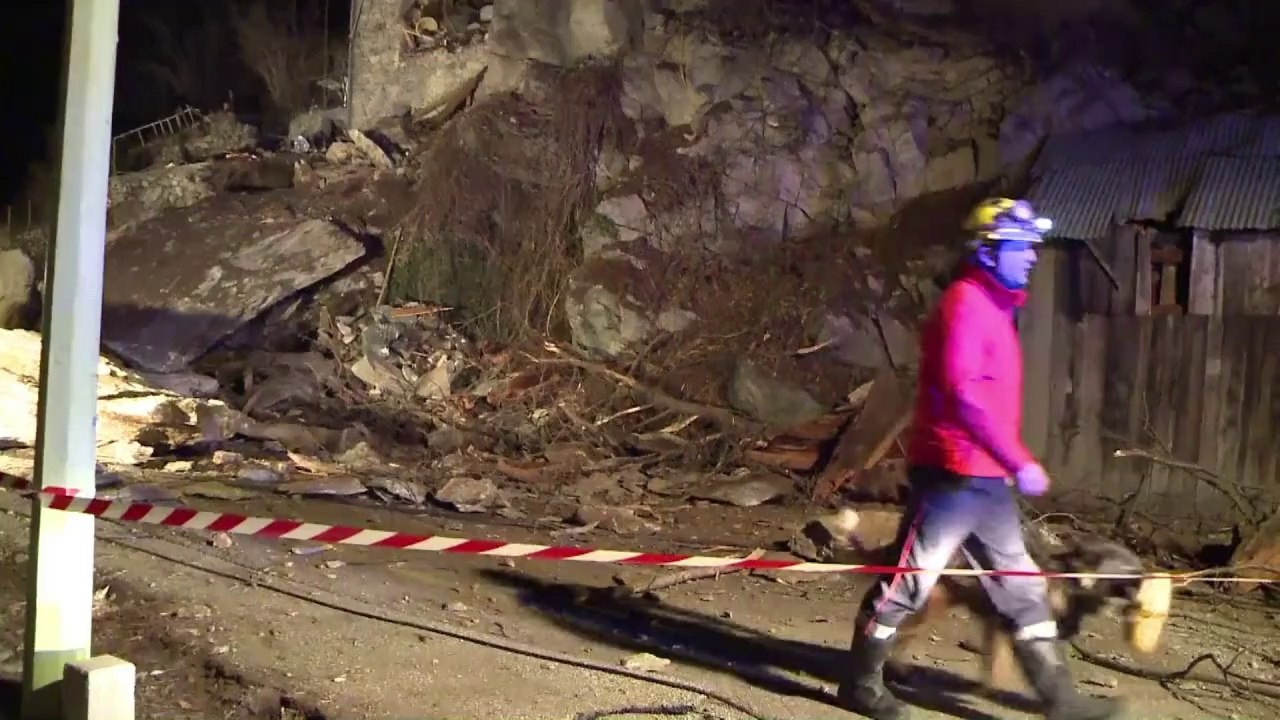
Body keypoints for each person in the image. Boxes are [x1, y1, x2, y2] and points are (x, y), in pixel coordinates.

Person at [835, 198, 1125, 720]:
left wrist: (1004, 465)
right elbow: (965, 394)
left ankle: (1061, 701)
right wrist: (1018, 460)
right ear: (989, 252)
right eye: (1021, 247)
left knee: (1021, 588)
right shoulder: (965, 307)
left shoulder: (995, 307)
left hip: (984, 480)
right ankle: (859, 684)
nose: (1033, 256)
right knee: (910, 582)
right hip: (951, 475)